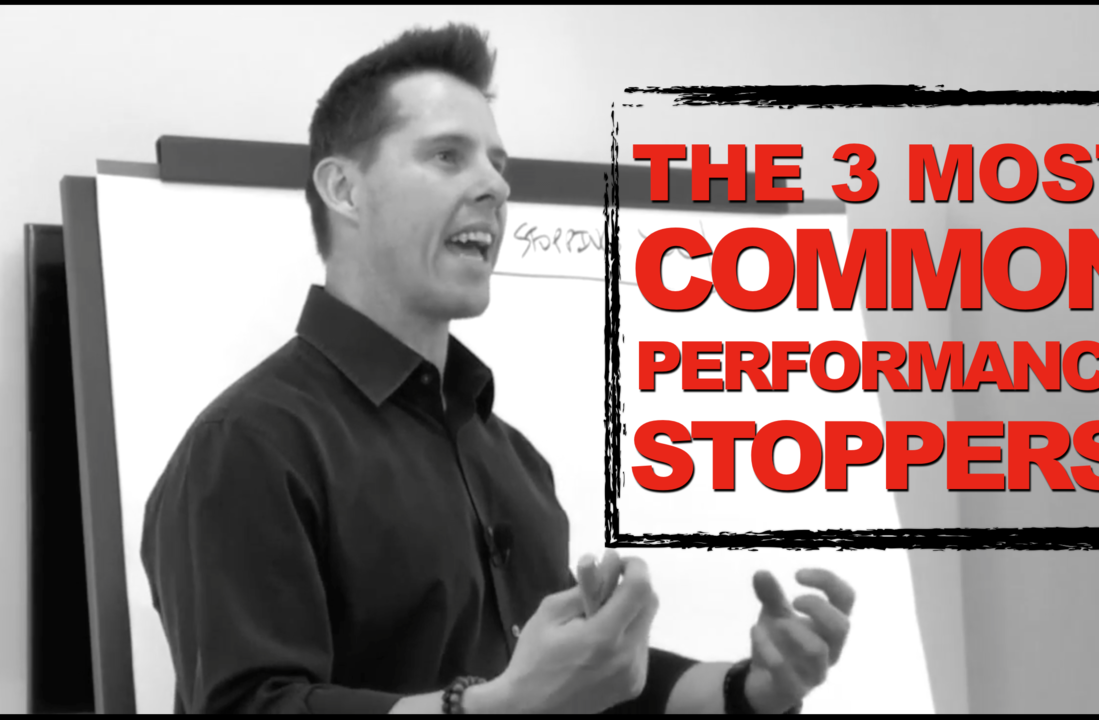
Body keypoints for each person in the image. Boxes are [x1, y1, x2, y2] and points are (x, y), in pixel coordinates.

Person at [140, 23, 855, 714]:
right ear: (344, 190)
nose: (495, 187)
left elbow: (579, 694)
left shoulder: (511, 458)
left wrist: (752, 688)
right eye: (447, 156)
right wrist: (494, 707)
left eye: (497, 165)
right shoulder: (249, 445)